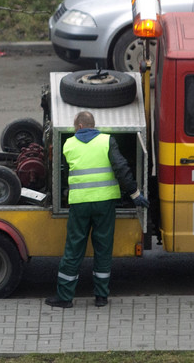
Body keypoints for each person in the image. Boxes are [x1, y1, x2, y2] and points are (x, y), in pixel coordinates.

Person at [45, 110, 145, 309]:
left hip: (80, 203)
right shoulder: (107, 141)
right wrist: (135, 195)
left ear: (80, 126)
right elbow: (122, 168)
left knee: (74, 249)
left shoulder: (68, 144)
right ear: (93, 125)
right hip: (105, 203)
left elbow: (64, 172)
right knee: (103, 248)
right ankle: (101, 297)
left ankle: (65, 297)